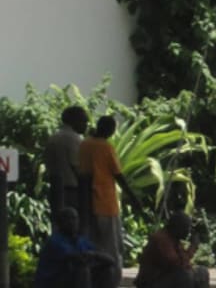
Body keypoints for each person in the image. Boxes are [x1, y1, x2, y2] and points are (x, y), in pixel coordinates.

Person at [78, 114, 142, 288]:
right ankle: (111, 282)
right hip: (105, 203)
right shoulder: (105, 148)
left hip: (88, 204)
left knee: (94, 246)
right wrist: (134, 199)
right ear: (109, 129)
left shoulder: (84, 145)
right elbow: (118, 174)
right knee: (112, 249)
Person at [33, 207, 114, 288]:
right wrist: (92, 255)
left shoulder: (81, 241)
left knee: (106, 270)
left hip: (69, 280)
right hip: (52, 283)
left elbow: (111, 260)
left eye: (75, 218)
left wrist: (95, 254)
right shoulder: (55, 241)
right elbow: (77, 259)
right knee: (82, 270)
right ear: (60, 223)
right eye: (68, 219)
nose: (72, 222)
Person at [135, 211, 210, 288]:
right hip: (151, 282)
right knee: (185, 276)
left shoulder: (174, 239)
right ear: (178, 227)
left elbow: (184, 260)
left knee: (202, 272)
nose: (188, 232)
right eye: (186, 228)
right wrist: (193, 247)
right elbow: (177, 264)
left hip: (165, 278)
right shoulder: (162, 239)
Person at [44, 106, 88, 221]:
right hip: (72, 191)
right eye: (84, 121)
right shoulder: (74, 139)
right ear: (74, 121)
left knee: (58, 225)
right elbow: (78, 168)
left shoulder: (53, 138)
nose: (86, 125)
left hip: (55, 189)